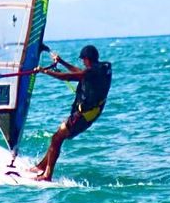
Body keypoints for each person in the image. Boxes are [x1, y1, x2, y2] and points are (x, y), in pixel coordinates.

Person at [31, 44, 112, 181]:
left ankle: (47, 175)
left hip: (83, 116)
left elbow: (68, 77)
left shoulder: (91, 72)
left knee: (56, 138)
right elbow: (80, 73)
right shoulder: (102, 68)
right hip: (92, 113)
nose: (82, 62)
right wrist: (61, 62)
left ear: (87, 59)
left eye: (83, 60)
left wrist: (45, 72)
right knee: (57, 137)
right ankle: (41, 167)